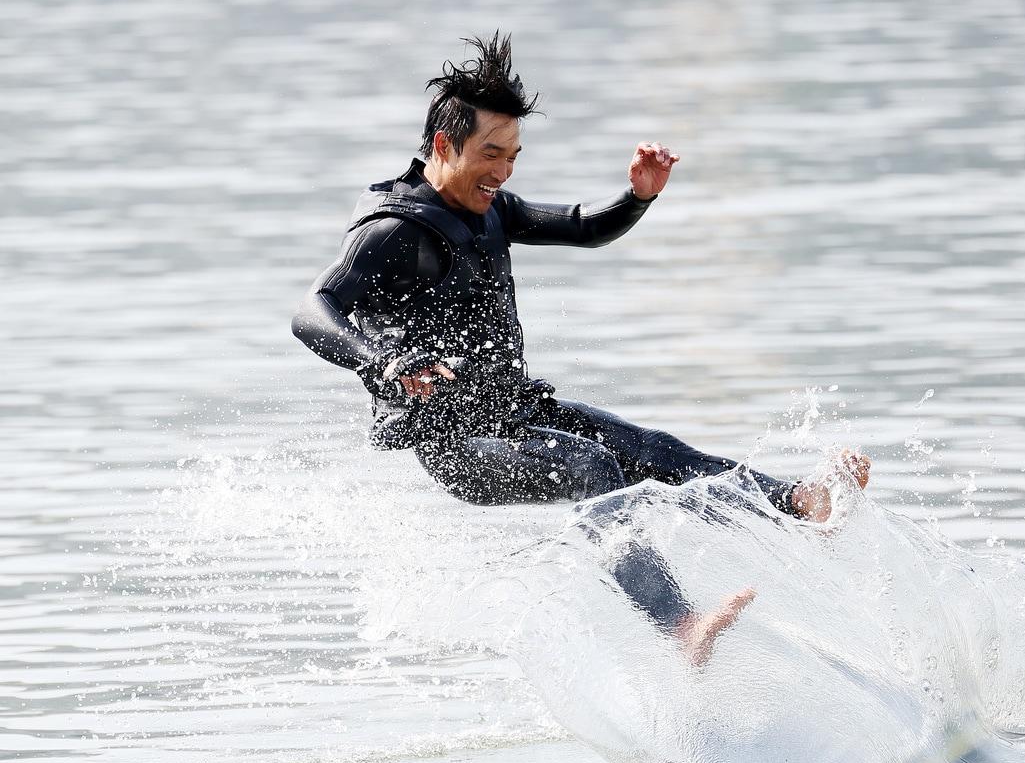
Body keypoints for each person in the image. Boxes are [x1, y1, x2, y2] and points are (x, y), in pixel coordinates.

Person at [292, 33, 870, 663]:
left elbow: (584, 227)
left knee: (648, 450)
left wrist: (638, 197)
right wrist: (385, 361)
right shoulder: (393, 231)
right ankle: (680, 628)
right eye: (491, 154)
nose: (504, 171)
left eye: (513, 155)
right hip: (456, 442)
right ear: (442, 145)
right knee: (591, 468)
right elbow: (312, 312)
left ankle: (796, 503)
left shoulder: (490, 210)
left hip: (514, 411)